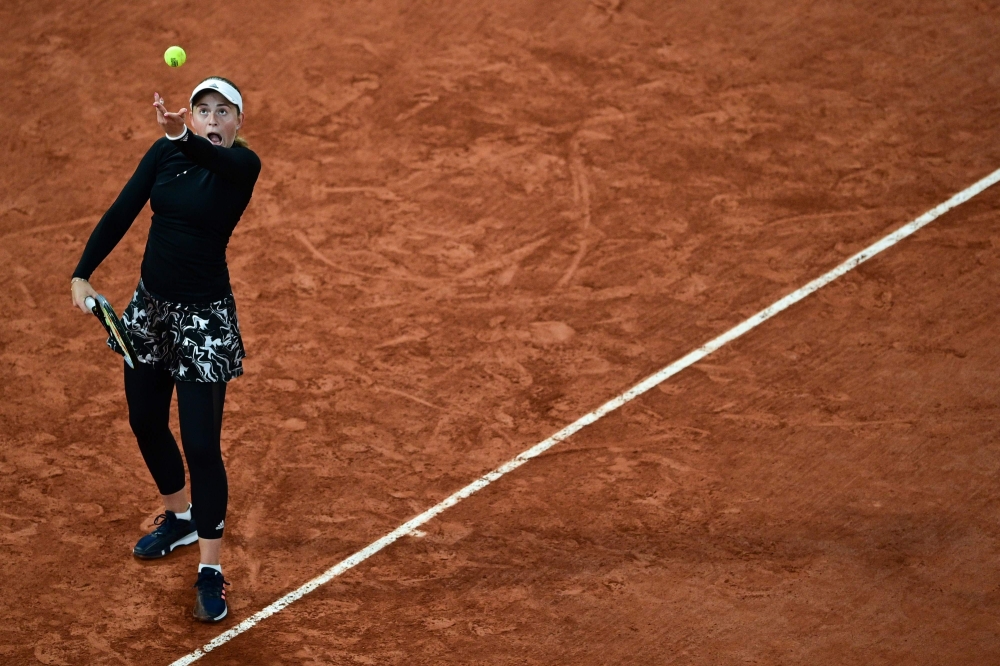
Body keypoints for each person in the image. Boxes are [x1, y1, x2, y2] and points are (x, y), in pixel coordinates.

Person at [71, 77, 261, 622]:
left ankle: (210, 570)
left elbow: (212, 157)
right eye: (203, 111)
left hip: (204, 322)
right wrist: (82, 272)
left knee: (202, 445)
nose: (212, 119)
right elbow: (122, 211)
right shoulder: (163, 155)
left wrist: (183, 135)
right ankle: (178, 517)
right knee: (144, 420)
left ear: (237, 124)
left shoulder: (241, 169)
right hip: (151, 310)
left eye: (223, 112)